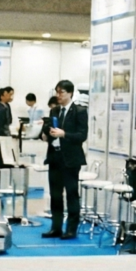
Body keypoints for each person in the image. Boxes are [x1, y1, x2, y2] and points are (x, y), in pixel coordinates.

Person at [41, 80, 87, 239]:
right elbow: (48, 130)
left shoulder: (79, 111)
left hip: (71, 159)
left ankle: (71, 229)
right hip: (55, 157)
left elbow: (82, 135)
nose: (58, 95)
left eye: (61, 92)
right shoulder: (54, 111)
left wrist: (64, 134)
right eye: (57, 92)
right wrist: (45, 134)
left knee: (71, 194)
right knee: (55, 195)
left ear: (70, 93)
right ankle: (56, 227)